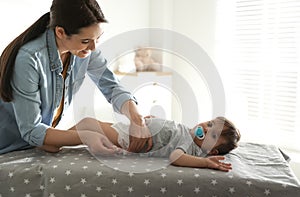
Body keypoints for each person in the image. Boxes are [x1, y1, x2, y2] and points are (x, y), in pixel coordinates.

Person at [0, 0, 152, 155]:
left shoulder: (84, 51)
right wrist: (84, 137)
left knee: (90, 125)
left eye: (98, 38)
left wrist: (136, 117)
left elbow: (112, 87)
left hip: (39, 143)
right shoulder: (29, 60)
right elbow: (32, 131)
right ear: (60, 32)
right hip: (10, 148)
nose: (93, 48)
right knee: (89, 129)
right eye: (85, 41)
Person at [72, 116, 241, 172]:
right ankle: (58, 138)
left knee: (88, 124)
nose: (205, 127)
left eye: (212, 135)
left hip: (132, 139)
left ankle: (56, 140)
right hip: (135, 130)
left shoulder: (190, 145)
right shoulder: (189, 133)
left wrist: (204, 163)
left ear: (212, 151)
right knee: (91, 126)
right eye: (209, 123)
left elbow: (176, 157)